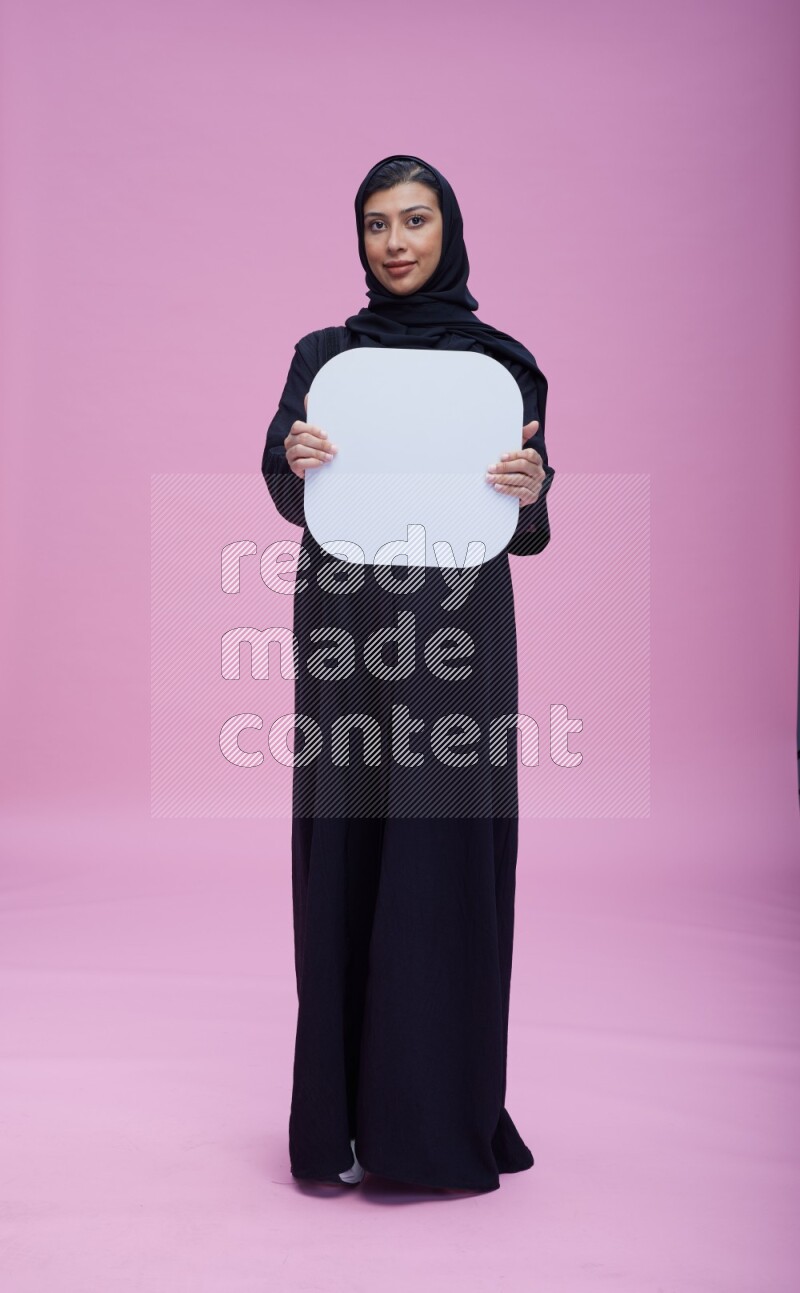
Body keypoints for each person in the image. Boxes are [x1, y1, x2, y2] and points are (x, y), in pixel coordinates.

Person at [261, 154, 555, 1194]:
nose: (395, 243)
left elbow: (526, 525)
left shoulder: (498, 361)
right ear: (359, 238)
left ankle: (434, 1120)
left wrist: (528, 486)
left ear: (448, 229)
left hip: (458, 640)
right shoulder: (325, 355)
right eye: (377, 224)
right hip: (345, 631)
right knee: (345, 845)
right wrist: (292, 456)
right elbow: (282, 484)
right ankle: (336, 1120)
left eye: (415, 221)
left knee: (440, 855)